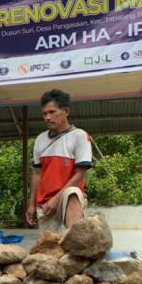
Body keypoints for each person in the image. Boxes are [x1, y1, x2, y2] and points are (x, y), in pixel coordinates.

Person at [25, 89, 92, 231]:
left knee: (72, 193)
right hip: (44, 204)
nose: (47, 117)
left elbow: (80, 174)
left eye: (52, 112)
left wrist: (56, 199)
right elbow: (37, 174)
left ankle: (77, 244)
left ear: (66, 111)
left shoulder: (79, 136)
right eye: (44, 113)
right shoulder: (40, 139)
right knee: (50, 249)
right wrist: (31, 205)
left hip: (66, 198)